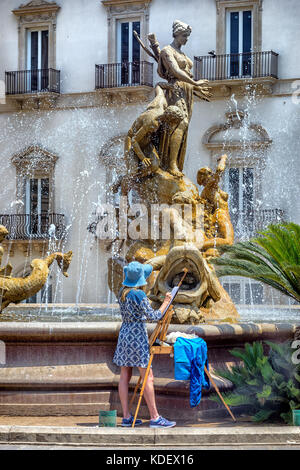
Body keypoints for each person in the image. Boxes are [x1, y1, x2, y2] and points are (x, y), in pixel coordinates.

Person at [113, 260, 176, 428]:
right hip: (137, 337)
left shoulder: (122, 292)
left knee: (124, 375)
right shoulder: (139, 295)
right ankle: (155, 417)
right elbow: (154, 316)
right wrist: (166, 302)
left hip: (124, 335)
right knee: (148, 376)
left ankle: (126, 416)